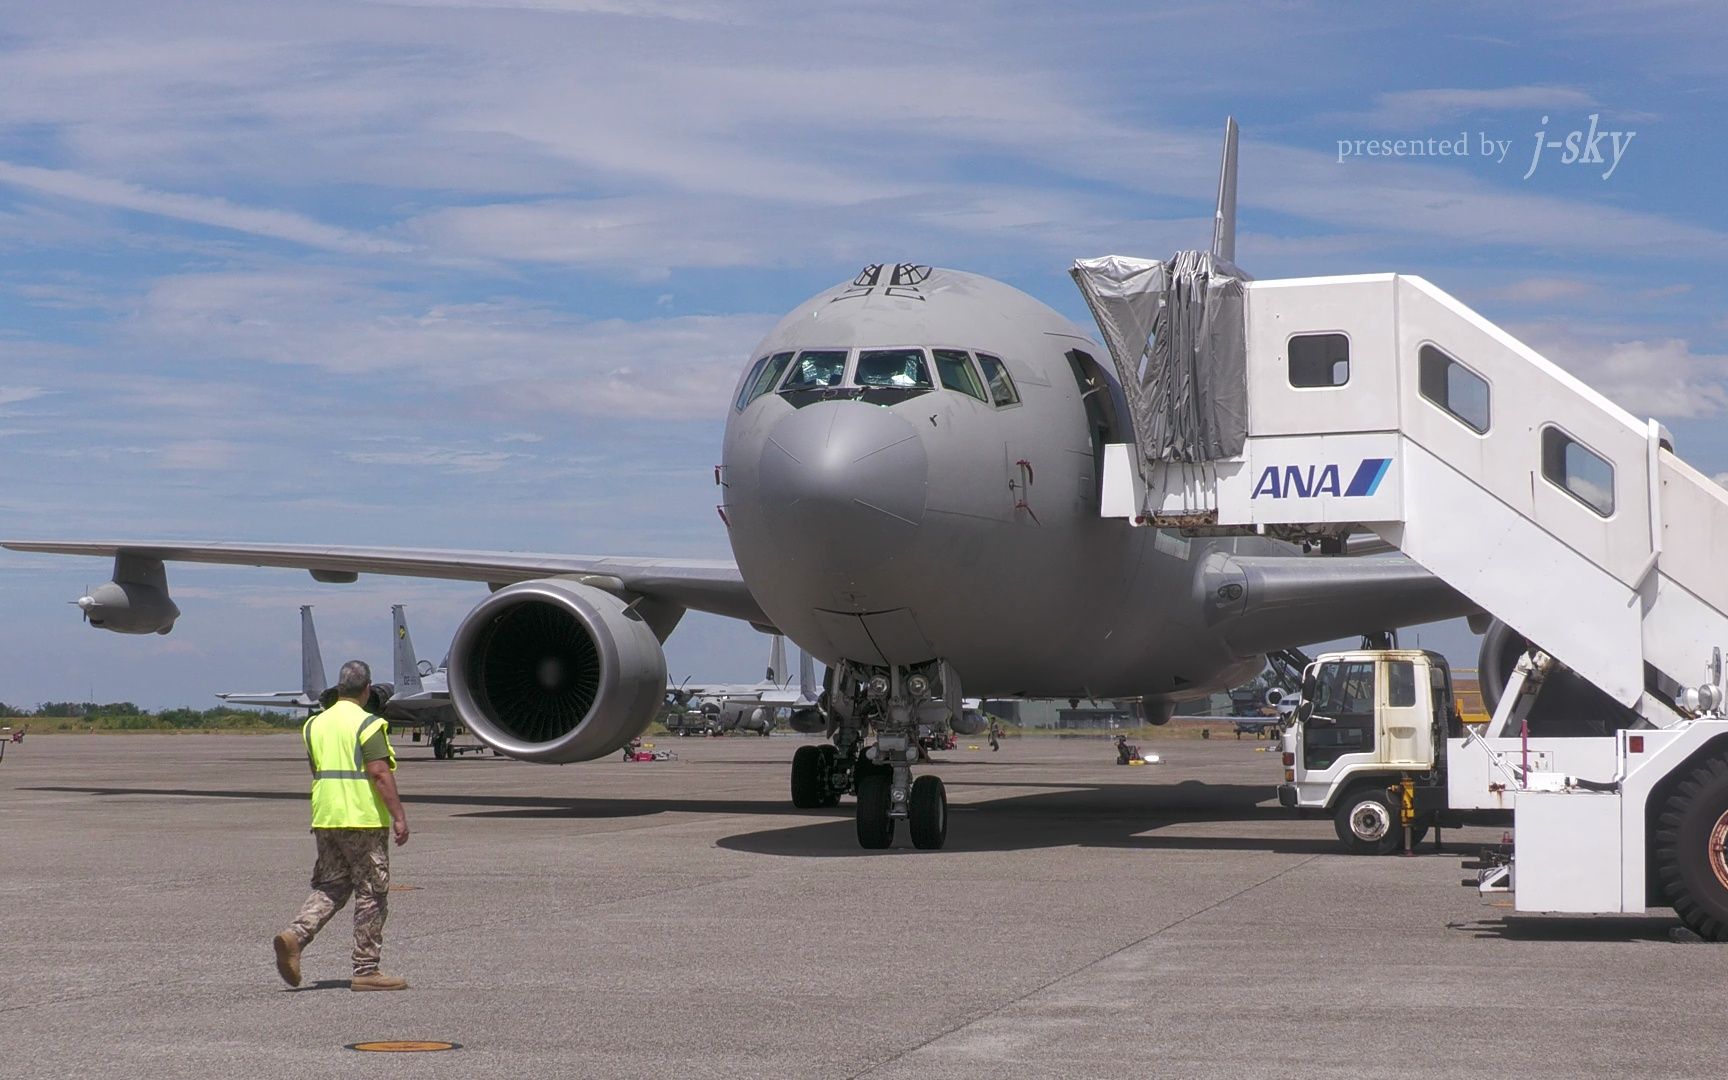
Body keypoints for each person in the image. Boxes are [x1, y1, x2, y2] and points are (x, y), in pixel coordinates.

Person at [272, 660, 410, 991]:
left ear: (339, 688)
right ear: (366, 690)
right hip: (361, 819)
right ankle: (366, 970)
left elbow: (317, 768)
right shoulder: (368, 724)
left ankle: (296, 935)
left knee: (332, 886)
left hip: (326, 816)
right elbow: (378, 772)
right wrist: (399, 816)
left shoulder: (314, 725)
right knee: (372, 892)